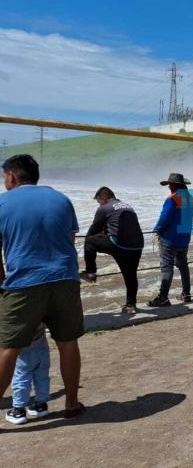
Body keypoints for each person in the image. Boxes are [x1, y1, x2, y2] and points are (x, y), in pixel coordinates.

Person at [0, 154, 85, 420]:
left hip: (24, 282)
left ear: (12, 176)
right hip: (65, 278)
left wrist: (2, 284)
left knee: (8, 347)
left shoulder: (2, 202)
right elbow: (70, 240)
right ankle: (71, 404)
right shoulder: (61, 199)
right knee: (68, 343)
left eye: (4, 176)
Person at [80, 187, 144, 314]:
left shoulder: (104, 208)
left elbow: (94, 229)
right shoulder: (128, 206)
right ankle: (130, 305)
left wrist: (87, 240)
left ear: (103, 199)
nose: (99, 205)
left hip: (119, 245)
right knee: (130, 275)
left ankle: (90, 273)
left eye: (98, 202)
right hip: (137, 245)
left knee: (90, 241)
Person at [147, 173, 193, 307]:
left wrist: (158, 230)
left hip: (170, 239)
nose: (169, 187)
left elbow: (165, 217)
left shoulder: (173, 199)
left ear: (174, 185)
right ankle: (186, 294)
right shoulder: (190, 199)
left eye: (170, 185)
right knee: (183, 265)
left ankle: (163, 297)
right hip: (184, 238)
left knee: (167, 267)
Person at [5, 323, 50, 425]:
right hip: (42, 348)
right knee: (42, 377)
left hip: (24, 350)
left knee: (21, 378)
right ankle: (41, 405)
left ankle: (18, 410)